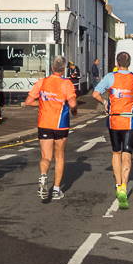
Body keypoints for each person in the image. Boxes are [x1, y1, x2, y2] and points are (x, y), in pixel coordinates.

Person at [92, 51, 133, 210]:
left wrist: (105, 102)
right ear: (129, 64)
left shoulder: (110, 77)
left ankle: (118, 185)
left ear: (117, 63)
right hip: (130, 120)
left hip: (113, 120)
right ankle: (124, 186)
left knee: (116, 153)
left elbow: (95, 94)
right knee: (127, 154)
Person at [25, 56, 77, 200]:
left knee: (45, 157)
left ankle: (43, 176)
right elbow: (72, 104)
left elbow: (28, 102)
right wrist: (74, 111)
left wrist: (42, 103)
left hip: (44, 124)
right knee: (59, 156)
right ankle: (56, 189)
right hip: (61, 124)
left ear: (52, 68)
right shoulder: (67, 83)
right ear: (64, 69)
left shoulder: (42, 82)